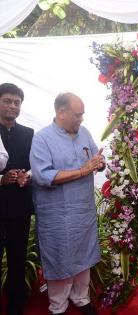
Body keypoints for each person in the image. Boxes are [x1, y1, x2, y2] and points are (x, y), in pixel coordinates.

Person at [30, 92, 105, 315]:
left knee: (84, 255)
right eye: (77, 115)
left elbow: (94, 159)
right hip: (57, 214)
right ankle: (58, 305)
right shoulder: (42, 139)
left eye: (82, 115)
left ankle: (81, 299)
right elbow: (43, 175)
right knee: (60, 257)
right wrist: (84, 170)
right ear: (61, 113)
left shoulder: (84, 133)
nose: (81, 119)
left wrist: (99, 164)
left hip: (83, 211)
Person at [0, 83, 34, 315]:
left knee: (17, 256)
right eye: (7, 101)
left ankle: (15, 302)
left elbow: (36, 166)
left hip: (19, 206)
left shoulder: (29, 134)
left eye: (17, 102)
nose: (13, 106)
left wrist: (27, 177)